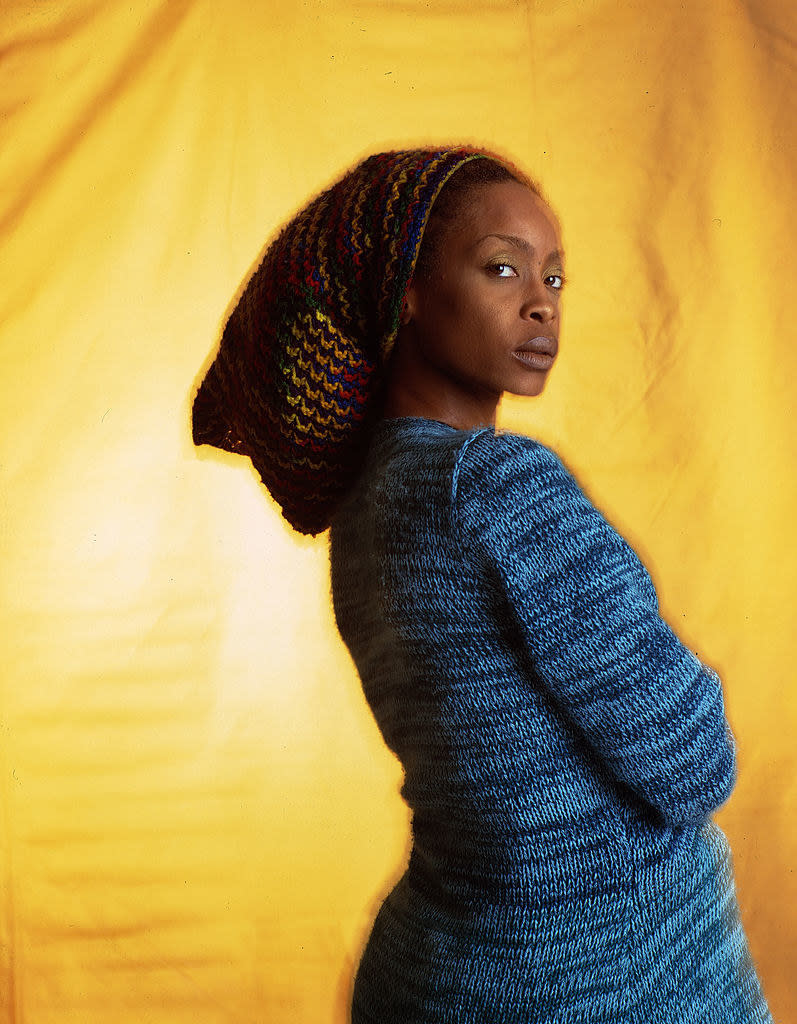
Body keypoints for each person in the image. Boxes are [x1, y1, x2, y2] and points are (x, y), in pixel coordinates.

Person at [192, 148, 773, 1023]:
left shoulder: (364, 505)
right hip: (605, 969)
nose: (541, 301)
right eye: (501, 267)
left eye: (554, 275)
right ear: (409, 295)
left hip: (437, 964)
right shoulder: (501, 486)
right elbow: (693, 764)